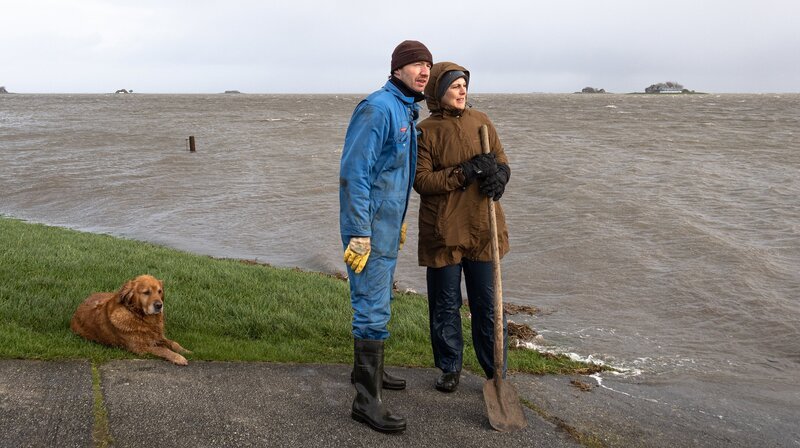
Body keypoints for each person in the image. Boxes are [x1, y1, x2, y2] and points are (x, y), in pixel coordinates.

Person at [339, 40, 432, 433]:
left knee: (379, 299)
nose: (424, 70)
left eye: (427, 64)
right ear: (397, 70)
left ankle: (371, 377)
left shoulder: (405, 110)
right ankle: (366, 401)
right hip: (370, 229)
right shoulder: (378, 109)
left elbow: (392, 177)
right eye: (415, 64)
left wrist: (399, 221)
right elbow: (354, 174)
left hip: (387, 226)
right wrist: (360, 231)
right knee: (371, 307)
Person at [413, 61, 511, 393]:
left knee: (488, 303)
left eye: (464, 85)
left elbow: (501, 159)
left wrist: (499, 178)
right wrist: (465, 172)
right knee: (445, 303)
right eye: (455, 86)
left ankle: (495, 368)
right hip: (444, 230)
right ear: (439, 92)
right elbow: (422, 181)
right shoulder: (425, 131)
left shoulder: (481, 121)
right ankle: (450, 367)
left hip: (484, 228)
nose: (462, 90)